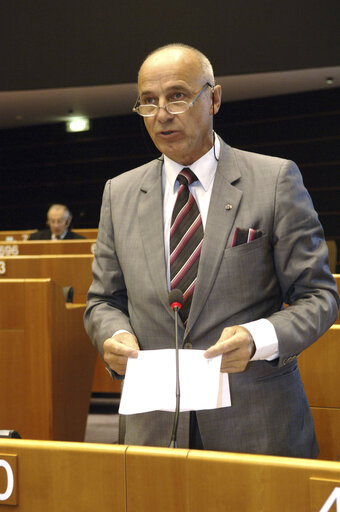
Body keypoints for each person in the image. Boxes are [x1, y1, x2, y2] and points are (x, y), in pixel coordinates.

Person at [84, 44, 339, 457]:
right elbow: (103, 301)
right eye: (148, 102)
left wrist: (259, 338)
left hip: (256, 427)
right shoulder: (120, 192)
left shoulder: (274, 180)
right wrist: (114, 335)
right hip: (153, 428)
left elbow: (319, 296)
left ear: (214, 98)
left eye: (178, 96)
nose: (163, 114)